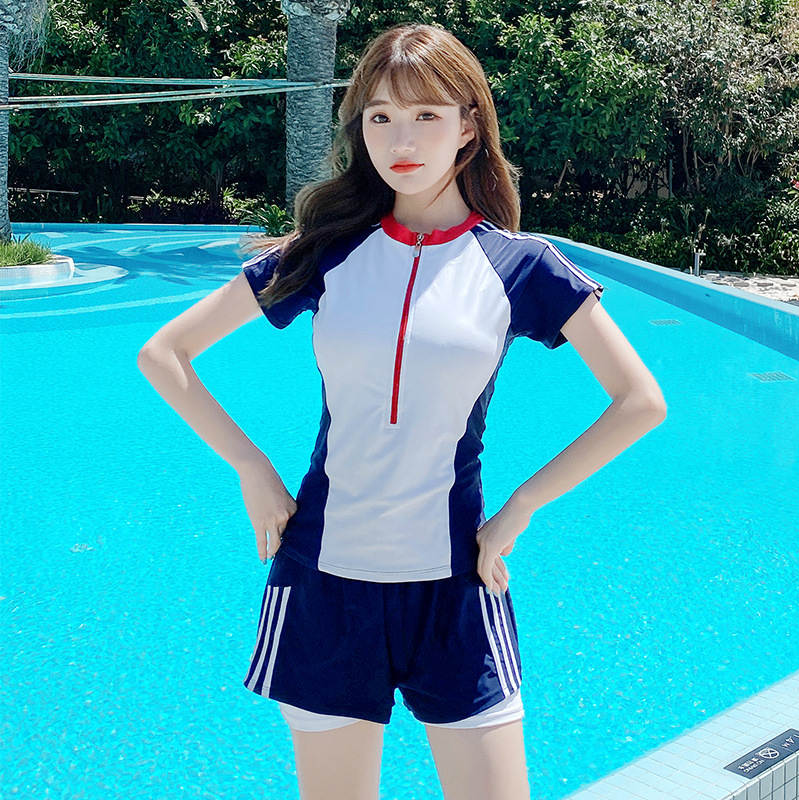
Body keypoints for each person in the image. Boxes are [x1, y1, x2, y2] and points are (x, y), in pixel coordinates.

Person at [137, 23, 666, 800]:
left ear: (468, 126)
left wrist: (521, 507)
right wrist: (251, 467)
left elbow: (640, 402)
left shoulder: (519, 265)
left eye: (425, 115)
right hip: (322, 582)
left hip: (456, 582)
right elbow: (165, 354)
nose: (401, 138)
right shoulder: (325, 252)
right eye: (380, 116)